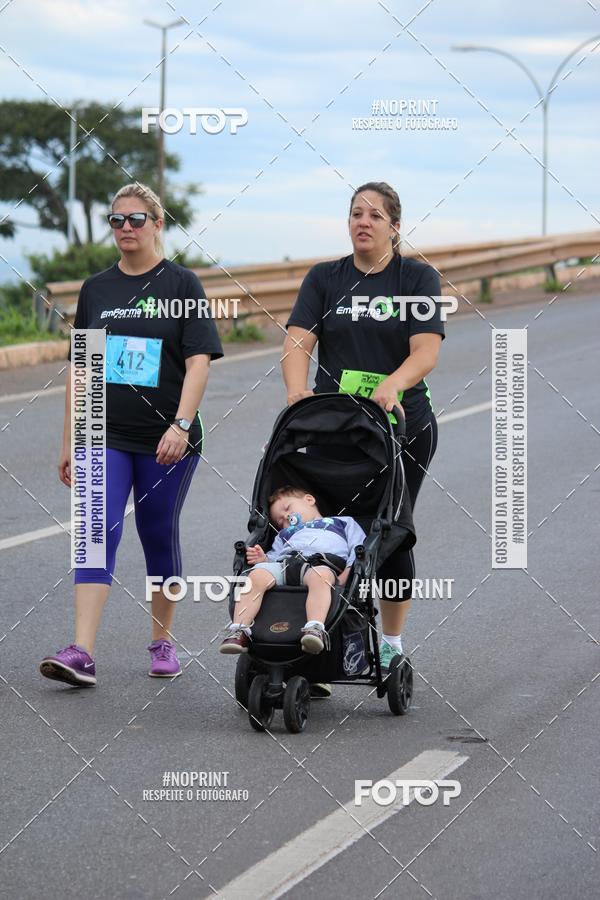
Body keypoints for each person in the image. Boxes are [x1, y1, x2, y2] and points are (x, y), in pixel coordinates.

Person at [40, 183, 223, 687]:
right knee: (96, 532)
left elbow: (198, 362)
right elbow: (81, 369)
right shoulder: (97, 289)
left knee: (156, 532)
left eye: (136, 219)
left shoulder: (182, 285)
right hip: (105, 431)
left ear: (157, 224)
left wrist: (182, 424)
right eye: (116, 220)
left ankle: (163, 639)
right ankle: (81, 651)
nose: (125, 228)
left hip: (166, 436)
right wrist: (71, 440)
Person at [281, 181, 444, 673]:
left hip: (402, 428)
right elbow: (297, 342)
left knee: (388, 534)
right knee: (324, 537)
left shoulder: (416, 279)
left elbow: (426, 351)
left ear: (395, 226)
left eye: (375, 215)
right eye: (356, 213)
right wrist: (296, 393)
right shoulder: (325, 279)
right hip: (334, 430)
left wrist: (393, 384)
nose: (363, 222)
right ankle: (327, 637)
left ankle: (390, 641)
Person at [218, 486, 366, 655]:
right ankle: (239, 630)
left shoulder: (342, 522)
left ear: (309, 500)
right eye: (280, 521)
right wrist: (263, 559)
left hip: (321, 564)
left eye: (288, 508)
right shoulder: (285, 534)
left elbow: (359, 547)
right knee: (257, 576)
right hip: (286, 564)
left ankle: (314, 628)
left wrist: (348, 572)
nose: (287, 518)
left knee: (321, 577)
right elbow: (275, 556)